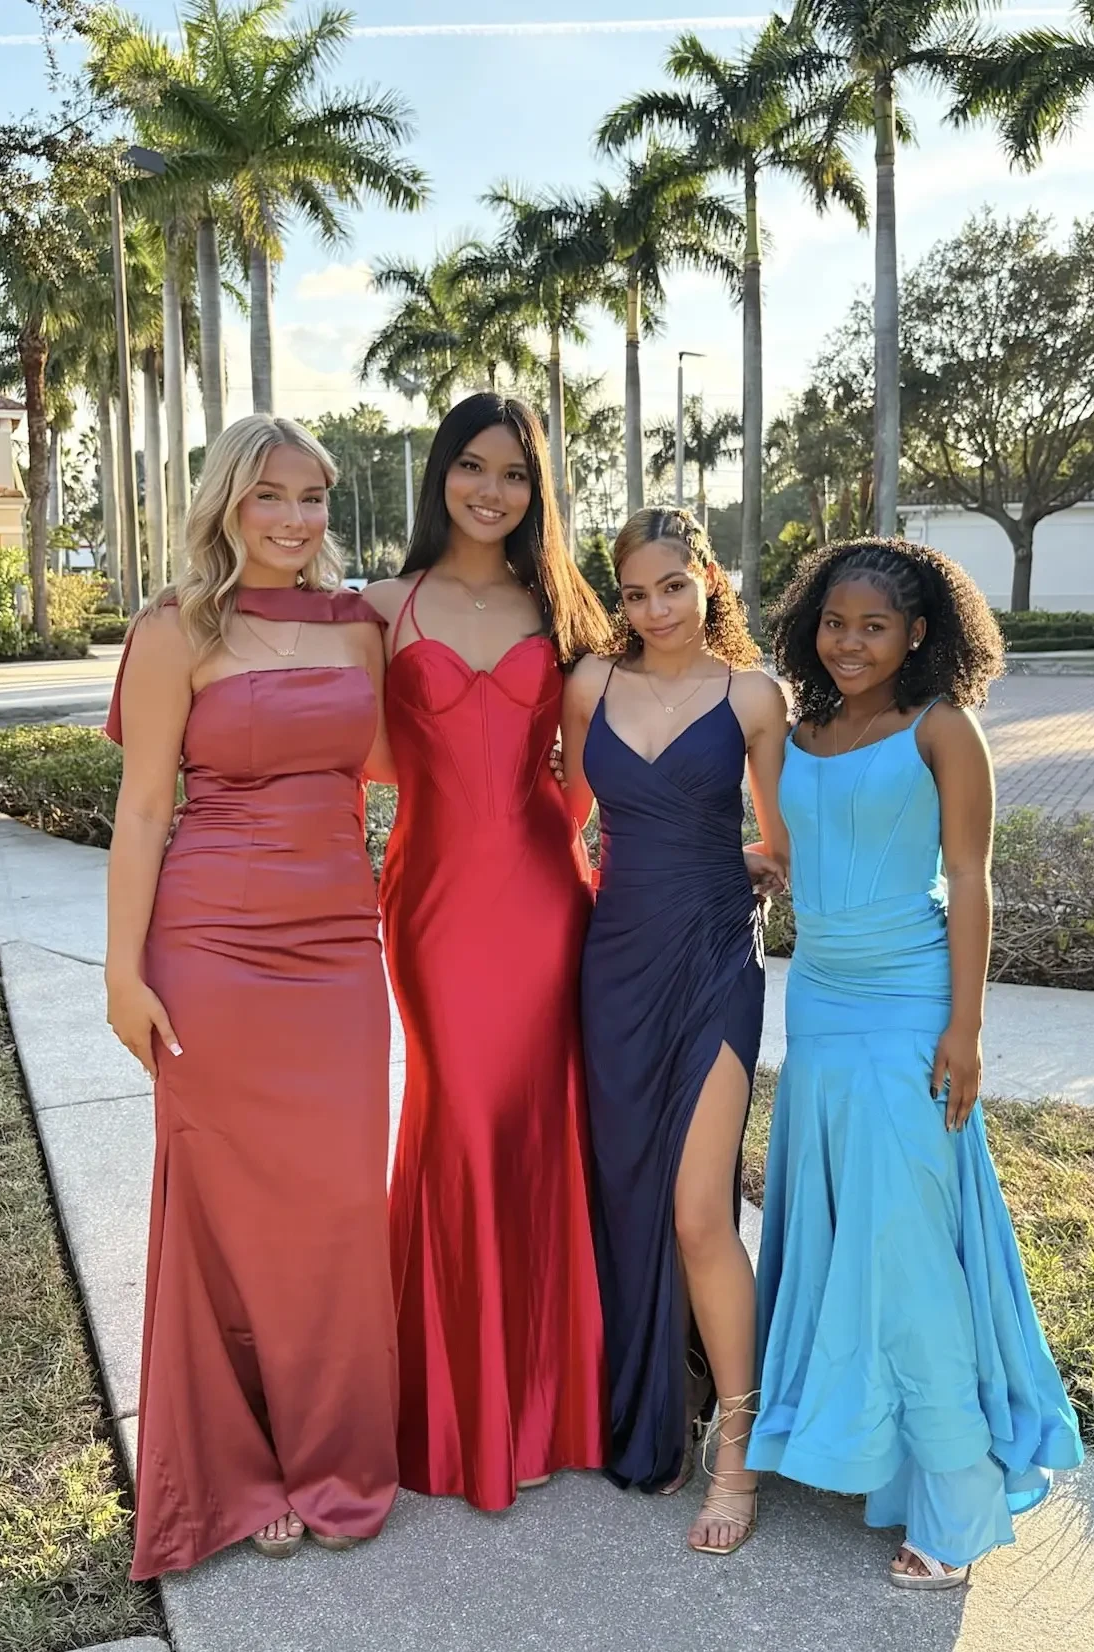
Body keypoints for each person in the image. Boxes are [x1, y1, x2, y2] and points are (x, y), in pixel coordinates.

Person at [747, 538, 1083, 1589]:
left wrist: (966, 1028)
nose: (849, 643)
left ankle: (955, 1497)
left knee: (903, 1243)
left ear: (917, 634)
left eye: (873, 627)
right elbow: (803, 854)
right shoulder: (800, 730)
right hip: (818, 1002)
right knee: (849, 1227)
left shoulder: (942, 729)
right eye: (835, 623)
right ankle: (871, 1449)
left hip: (907, 1007)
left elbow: (972, 884)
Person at [104, 415, 399, 1576]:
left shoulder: (359, 626)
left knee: (332, 1208)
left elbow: (388, 768)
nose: (291, 520)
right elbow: (141, 810)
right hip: (212, 944)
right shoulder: (174, 629)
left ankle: (329, 1451)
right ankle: (237, 1467)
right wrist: (122, 974)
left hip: (337, 946)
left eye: (312, 499)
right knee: (225, 1210)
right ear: (225, 501)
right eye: (268, 496)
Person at [361, 393, 612, 1510]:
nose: (491, 489)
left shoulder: (560, 610)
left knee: (534, 1124)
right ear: (439, 475)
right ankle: (450, 1405)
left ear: (535, 491)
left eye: (514, 473)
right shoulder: (378, 606)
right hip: (426, 901)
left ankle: (546, 1400)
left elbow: (593, 762)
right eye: (471, 465)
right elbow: (357, 754)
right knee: (454, 1116)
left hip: (540, 894)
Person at [561, 507, 788, 1557]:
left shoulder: (751, 695)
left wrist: (729, 867)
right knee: (625, 1201)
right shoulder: (590, 688)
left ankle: (736, 1444)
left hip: (709, 969)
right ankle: (662, 1402)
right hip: (610, 968)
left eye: (671, 586)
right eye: (634, 593)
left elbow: (779, 842)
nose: (653, 609)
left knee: (700, 1209)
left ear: (708, 578)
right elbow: (565, 818)